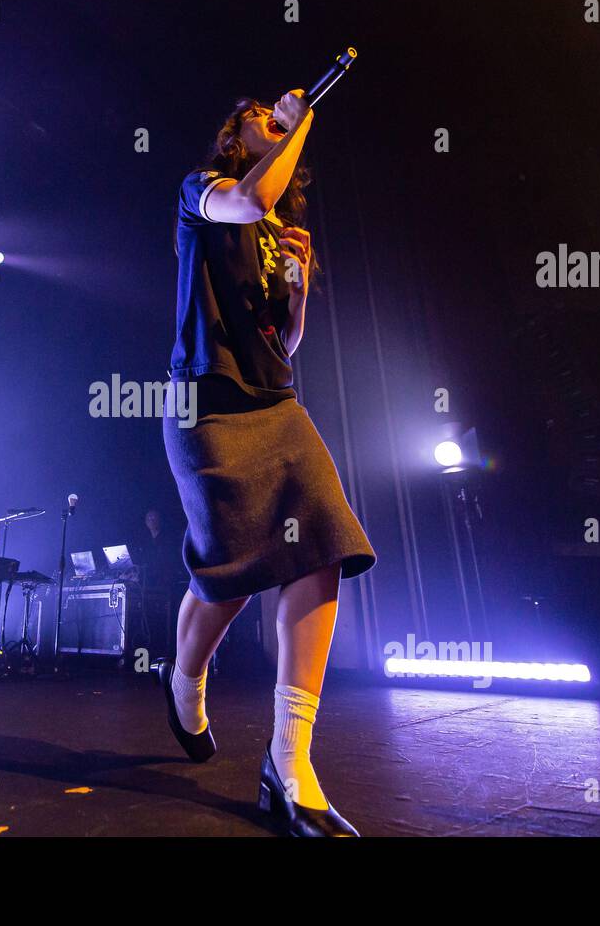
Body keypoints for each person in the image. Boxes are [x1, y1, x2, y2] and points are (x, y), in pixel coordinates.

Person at [156, 89, 376, 836]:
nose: (271, 120)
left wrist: (299, 292)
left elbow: (285, 344)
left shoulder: (283, 229)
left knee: (321, 540)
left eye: (276, 118)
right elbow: (250, 200)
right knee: (231, 570)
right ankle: (184, 679)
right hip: (205, 405)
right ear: (235, 133)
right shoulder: (206, 191)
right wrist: (302, 118)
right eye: (259, 115)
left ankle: (291, 763)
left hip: (274, 402)